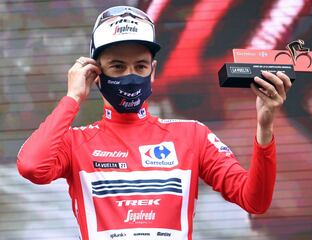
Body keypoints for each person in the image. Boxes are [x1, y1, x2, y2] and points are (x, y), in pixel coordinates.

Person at [17, 6, 292, 240]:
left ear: (153, 71)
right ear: (96, 74)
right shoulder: (76, 142)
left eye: (140, 66)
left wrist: (265, 128)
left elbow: (254, 200)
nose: (130, 75)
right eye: (117, 66)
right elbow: (32, 167)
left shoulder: (192, 135)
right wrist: (73, 97)